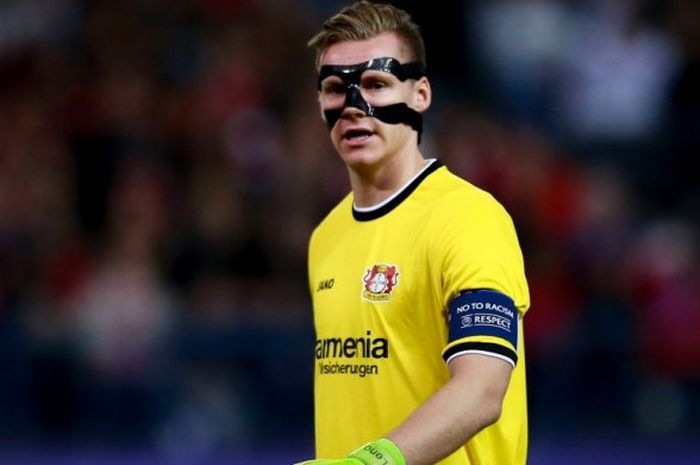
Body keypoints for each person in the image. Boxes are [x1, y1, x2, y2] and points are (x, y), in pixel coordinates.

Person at [297, 2, 530, 464]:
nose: (353, 107)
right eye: (335, 89)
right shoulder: (325, 236)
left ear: (421, 93)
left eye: (376, 84)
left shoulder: (469, 219)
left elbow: (482, 389)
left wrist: (371, 463)